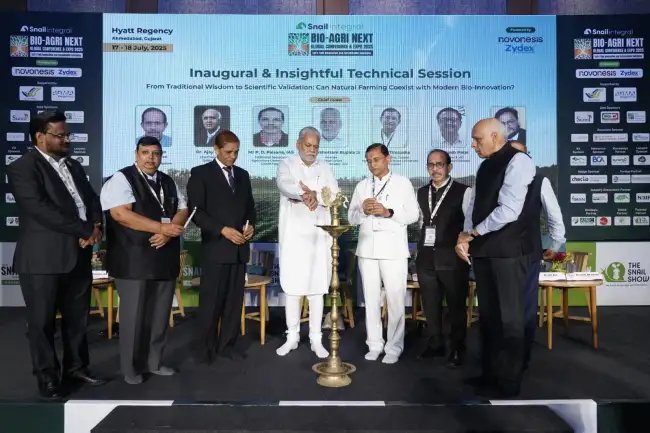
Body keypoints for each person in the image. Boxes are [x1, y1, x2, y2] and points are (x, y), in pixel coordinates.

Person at [7, 110, 105, 399]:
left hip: (79, 254)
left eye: (67, 134)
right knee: (42, 323)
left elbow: (91, 199)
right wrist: (84, 229)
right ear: (41, 137)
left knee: (78, 320)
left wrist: (96, 226)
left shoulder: (73, 165)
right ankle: (47, 378)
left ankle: (76, 369)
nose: (67, 140)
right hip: (43, 259)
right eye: (60, 135)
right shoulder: (23, 167)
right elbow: (40, 209)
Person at [455, 118, 535, 397]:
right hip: (484, 251)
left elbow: (509, 210)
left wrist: (473, 233)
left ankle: (509, 381)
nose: (473, 144)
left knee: (510, 319)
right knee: (488, 317)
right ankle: (489, 374)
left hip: (508, 254)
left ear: (495, 136)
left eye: (477, 139)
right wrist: (464, 235)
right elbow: (474, 205)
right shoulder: (485, 165)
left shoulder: (519, 161)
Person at [100, 136, 188, 384]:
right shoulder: (121, 179)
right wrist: (161, 229)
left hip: (164, 259)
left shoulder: (168, 181)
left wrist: (170, 230)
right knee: (134, 318)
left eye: (156, 153)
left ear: (161, 156)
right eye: (145, 152)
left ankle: (154, 362)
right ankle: (131, 369)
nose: (151, 158)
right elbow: (121, 215)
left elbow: (182, 209)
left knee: (160, 317)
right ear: (136, 154)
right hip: (133, 260)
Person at [187, 130, 256, 363]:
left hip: (239, 250)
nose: (233, 156)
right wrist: (222, 230)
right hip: (216, 249)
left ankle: (227, 346)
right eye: (228, 152)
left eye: (236, 152)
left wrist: (251, 226)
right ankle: (204, 350)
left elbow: (250, 208)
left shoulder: (243, 175)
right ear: (216, 149)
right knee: (211, 303)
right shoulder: (200, 174)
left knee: (233, 304)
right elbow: (196, 213)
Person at [348, 143, 419, 364]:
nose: (372, 164)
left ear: (388, 159)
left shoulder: (402, 183)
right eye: (368, 161)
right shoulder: (362, 186)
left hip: (393, 250)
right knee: (370, 300)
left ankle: (394, 347)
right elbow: (351, 218)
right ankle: (374, 344)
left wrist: (388, 212)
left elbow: (413, 215)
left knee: (395, 300)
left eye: (376, 159)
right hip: (367, 249)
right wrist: (362, 211)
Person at [275, 127, 339, 358]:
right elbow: (284, 184)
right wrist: (303, 194)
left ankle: (316, 339)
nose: (312, 150)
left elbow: (334, 193)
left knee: (316, 289)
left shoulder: (325, 167)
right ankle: (292, 336)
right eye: (308, 145)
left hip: (318, 238)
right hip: (294, 236)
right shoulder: (287, 164)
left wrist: (315, 195)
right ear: (298, 144)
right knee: (293, 289)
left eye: (315, 147)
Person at [510, 140, 565, 368]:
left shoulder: (540, 181)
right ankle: (505, 355)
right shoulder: (493, 179)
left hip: (527, 253)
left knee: (524, 307)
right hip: (498, 254)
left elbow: (554, 215)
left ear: (528, 157)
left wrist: (556, 244)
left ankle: (521, 356)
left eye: (521, 155)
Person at [415, 149, 471, 368]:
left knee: (456, 306)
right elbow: (421, 223)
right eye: (431, 165)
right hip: (426, 259)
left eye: (439, 164)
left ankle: (457, 348)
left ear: (449, 167)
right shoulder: (421, 192)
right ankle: (435, 343)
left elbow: (469, 225)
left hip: (452, 259)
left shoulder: (464, 191)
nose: (435, 169)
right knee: (430, 305)